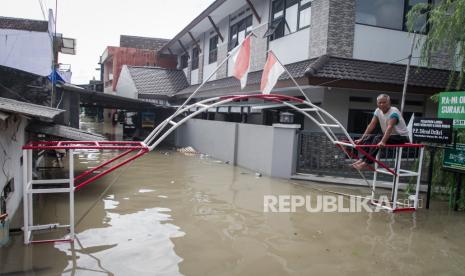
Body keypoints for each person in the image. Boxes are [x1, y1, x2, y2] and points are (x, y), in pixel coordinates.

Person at [352, 94, 410, 170]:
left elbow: (390, 127)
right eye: (380, 102)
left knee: (378, 138)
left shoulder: (394, 111)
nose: (382, 104)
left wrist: (383, 141)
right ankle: (363, 158)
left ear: (389, 102)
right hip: (390, 136)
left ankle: (367, 162)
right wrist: (362, 139)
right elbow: (371, 125)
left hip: (401, 137)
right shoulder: (378, 111)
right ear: (377, 103)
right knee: (369, 137)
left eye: (384, 102)